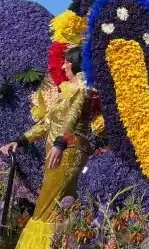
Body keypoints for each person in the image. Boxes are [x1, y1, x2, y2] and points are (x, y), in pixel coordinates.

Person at [0, 45, 99, 248]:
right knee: (58, 208)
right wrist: (20, 141)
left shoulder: (82, 87)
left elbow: (72, 117)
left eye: (66, 62)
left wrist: (60, 143)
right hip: (61, 151)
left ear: (73, 64)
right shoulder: (70, 89)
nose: (62, 66)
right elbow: (47, 123)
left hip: (67, 152)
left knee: (46, 208)